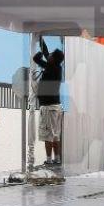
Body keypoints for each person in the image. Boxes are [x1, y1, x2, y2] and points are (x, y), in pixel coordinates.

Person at [33, 39, 65, 167]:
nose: (49, 55)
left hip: (48, 107)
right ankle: (57, 159)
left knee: (48, 135)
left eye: (51, 55)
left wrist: (40, 55)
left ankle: (49, 160)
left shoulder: (51, 68)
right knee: (56, 135)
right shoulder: (56, 67)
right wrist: (41, 40)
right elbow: (45, 53)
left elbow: (36, 59)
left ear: (53, 59)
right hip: (56, 107)